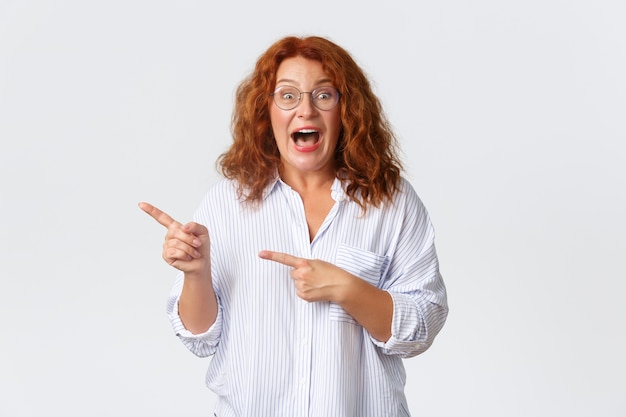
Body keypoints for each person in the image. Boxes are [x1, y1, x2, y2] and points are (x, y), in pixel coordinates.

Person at [139, 35, 448, 417]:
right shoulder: (225, 202)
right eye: (288, 96)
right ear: (266, 111)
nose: (305, 110)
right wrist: (196, 273)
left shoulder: (392, 201)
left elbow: (422, 326)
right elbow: (200, 338)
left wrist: (346, 288)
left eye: (324, 95)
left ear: (346, 109)